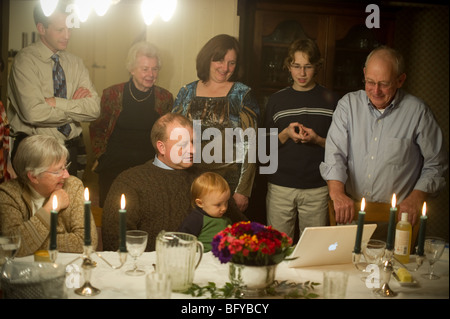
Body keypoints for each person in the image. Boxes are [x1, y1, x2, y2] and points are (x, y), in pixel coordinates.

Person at [320, 46, 448, 227]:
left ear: (400, 80)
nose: (376, 90)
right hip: (351, 214)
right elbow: (335, 154)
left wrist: (416, 197)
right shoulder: (348, 105)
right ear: (364, 73)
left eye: (384, 84)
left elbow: (436, 164)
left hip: (398, 220)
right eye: (370, 81)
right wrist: (338, 194)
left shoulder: (418, 112)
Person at [101, 113, 247, 252]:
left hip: (206, 266)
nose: (192, 150)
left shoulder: (207, 179)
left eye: (192, 142)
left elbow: (241, 226)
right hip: (150, 269)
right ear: (161, 147)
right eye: (182, 144)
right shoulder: (131, 181)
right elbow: (115, 240)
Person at [7, 1, 100, 177]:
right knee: (35, 205)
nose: (67, 35)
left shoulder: (76, 63)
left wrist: (58, 103)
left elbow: (94, 110)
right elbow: (33, 113)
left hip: (71, 148)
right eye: (60, 30)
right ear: (41, 28)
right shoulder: (25, 61)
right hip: (35, 150)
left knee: (69, 202)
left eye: (70, 29)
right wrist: (75, 106)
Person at [172, 34, 259, 213]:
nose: (225, 68)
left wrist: (243, 190)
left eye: (231, 63)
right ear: (207, 59)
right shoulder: (186, 92)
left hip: (228, 184)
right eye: (219, 60)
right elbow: (172, 137)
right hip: (188, 179)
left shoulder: (243, 95)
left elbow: (252, 144)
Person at [265, 38, 338, 239]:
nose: (302, 73)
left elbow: (340, 149)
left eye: (308, 67)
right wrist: (285, 134)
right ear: (289, 66)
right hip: (281, 186)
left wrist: (317, 140)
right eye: (296, 66)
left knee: (313, 249)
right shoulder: (276, 101)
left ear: (317, 67)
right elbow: (263, 149)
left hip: (318, 187)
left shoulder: (332, 100)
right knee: (277, 248)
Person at [89, 41, 173, 207]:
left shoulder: (165, 98)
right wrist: (102, 156)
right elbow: (97, 127)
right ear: (131, 69)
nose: (151, 74)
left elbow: (167, 134)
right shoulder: (112, 94)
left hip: (149, 169)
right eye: (145, 69)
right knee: (113, 216)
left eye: (154, 69)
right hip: (114, 167)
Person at [0, 135, 98, 257]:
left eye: (65, 167)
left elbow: (88, 241)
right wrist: (51, 208)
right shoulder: (8, 193)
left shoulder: (72, 185)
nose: (66, 175)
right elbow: (10, 245)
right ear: (34, 176)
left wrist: (31, 243)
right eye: (58, 171)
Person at [179, 172, 232, 252]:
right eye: (218, 205)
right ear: (200, 203)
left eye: (226, 202)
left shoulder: (225, 219)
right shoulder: (196, 219)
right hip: (202, 258)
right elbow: (182, 239)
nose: (224, 208)